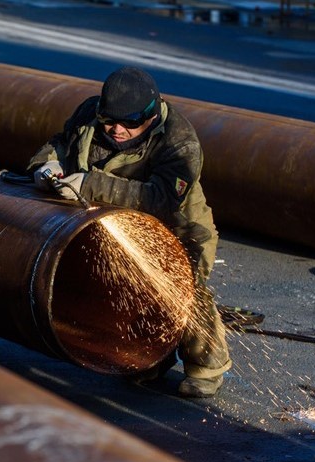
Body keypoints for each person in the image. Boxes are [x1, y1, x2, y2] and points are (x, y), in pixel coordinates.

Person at [26, 66, 230, 398]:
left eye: (129, 124)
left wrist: (90, 184)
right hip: (112, 220)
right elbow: (60, 144)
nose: (117, 130)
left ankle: (207, 365)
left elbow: (160, 200)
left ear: (151, 115)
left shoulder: (180, 143)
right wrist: (44, 165)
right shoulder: (89, 114)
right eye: (109, 121)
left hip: (178, 226)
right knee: (124, 289)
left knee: (182, 290)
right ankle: (152, 358)